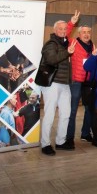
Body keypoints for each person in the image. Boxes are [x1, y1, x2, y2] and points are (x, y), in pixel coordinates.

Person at [38, 20, 76, 156]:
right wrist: (67, 53)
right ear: (55, 30)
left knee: (66, 113)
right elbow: (51, 60)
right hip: (52, 84)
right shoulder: (51, 44)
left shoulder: (64, 44)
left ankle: (60, 141)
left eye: (65, 29)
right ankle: (45, 144)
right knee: (49, 114)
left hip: (64, 84)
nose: (63, 31)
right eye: (60, 29)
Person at [67, 22, 94, 145]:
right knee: (72, 111)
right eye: (84, 32)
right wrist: (71, 23)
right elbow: (64, 34)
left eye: (88, 32)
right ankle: (69, 137)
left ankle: (85, 133)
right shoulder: (73, 42)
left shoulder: (93, 46)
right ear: (79, 33)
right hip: (76, 82)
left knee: (89, 109)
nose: (86, 34)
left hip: (88, 83)